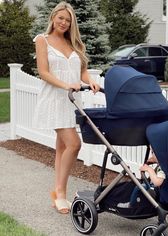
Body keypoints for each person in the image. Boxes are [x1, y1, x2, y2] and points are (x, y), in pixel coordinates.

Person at [33, 1, 100, 214]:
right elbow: (43, 72)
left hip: (71, 102)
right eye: (61, 18)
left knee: (62, 147)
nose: (63, 22)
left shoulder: (75, 45)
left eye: (68, 20)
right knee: (74, 144)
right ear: (53, 17)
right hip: (54, 99)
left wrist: (90, 81)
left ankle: (57, 193)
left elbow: (81, 73)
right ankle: (61, 193)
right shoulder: (42, 40)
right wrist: (66, 85)